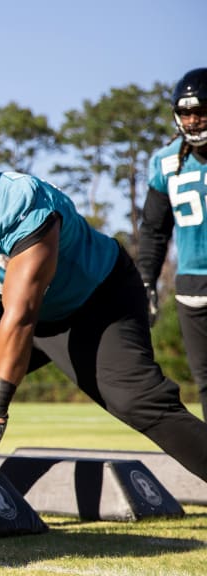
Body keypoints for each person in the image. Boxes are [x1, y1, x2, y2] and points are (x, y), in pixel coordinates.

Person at [0, 125, 207, 483]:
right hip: (14, 304)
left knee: (138, 403)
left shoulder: (17, 201)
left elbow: (22, 316)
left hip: (95, 301)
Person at [138, 67, 207, 421]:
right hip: (193, 285)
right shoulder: (166, 161)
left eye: (200, 111)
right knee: (205, 380)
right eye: (186, 113)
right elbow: (153, 229)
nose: (193, 121)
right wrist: (147, 280)